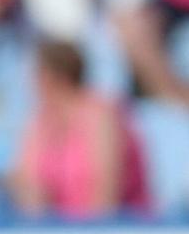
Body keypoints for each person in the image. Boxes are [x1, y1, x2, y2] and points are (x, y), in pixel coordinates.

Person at [11, 40, 138, 218]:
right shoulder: (40, 120)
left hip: (104, 233)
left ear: (52, 77)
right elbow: (26, 182)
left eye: (35, 75)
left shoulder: (101, 116)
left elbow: (106, 188)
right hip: (58, 233)